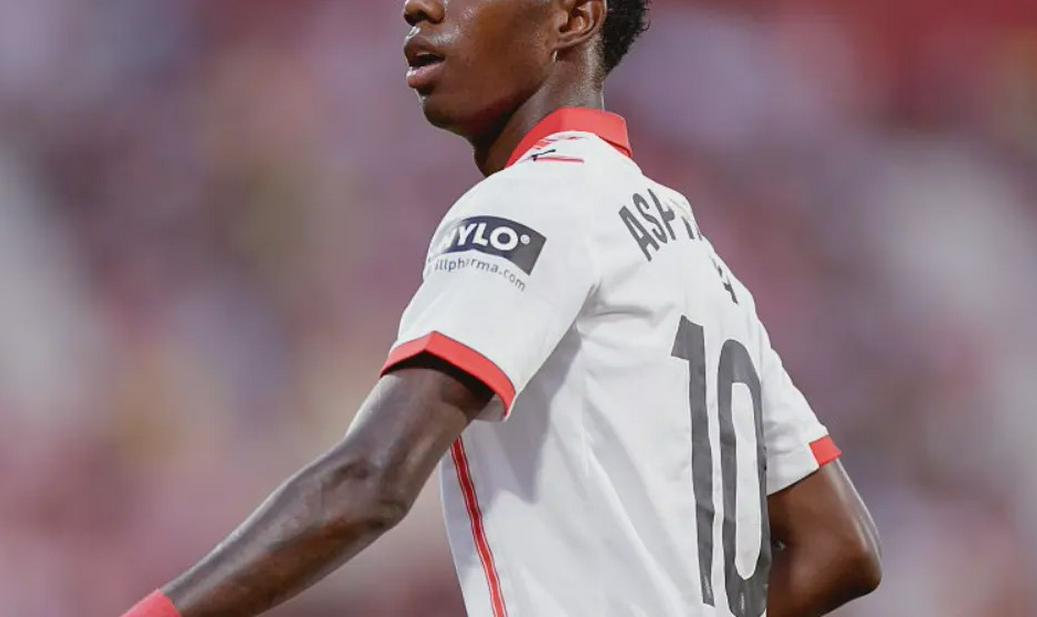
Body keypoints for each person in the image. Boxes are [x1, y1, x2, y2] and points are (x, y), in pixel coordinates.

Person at [121, 1, 882, 615]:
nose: (418, 8)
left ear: (573, 17)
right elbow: (839, 546)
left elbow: (370, 480)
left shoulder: (536, 199)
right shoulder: (693, 253)